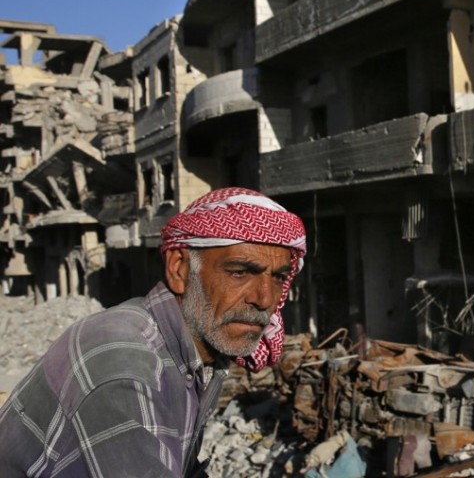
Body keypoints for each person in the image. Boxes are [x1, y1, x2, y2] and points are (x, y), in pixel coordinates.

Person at [0, 187, 306, 477]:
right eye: (239, 272)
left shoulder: (189, 354)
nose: (264, 298)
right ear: (179, 269)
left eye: (278, 278)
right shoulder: (124, 366)